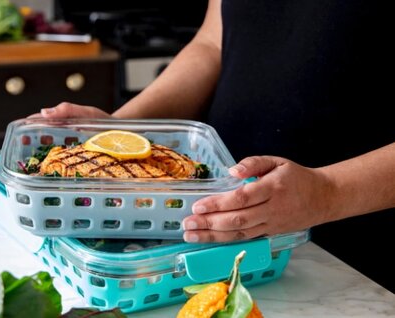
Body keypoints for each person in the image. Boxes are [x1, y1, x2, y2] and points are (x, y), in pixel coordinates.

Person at [29, 0, 395, 292]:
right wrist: (122, 131)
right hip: (211, 234)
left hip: (354, 259)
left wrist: (327, 193)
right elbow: (213, 43)